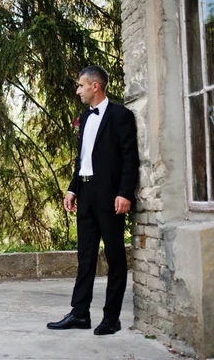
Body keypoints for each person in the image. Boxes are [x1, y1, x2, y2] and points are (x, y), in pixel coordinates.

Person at [47, 66, 139, 335]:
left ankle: (112, 317)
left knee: (115, 256)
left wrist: (124, 193)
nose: (78, 91)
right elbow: (82, 159)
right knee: (85, 256)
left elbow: (129, 158)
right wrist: (72, 189)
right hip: (85, 194)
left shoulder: (121, 115)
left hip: (110, 195)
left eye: (80, 86)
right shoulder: (85, 118)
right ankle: (79, 313)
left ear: (95, 86)